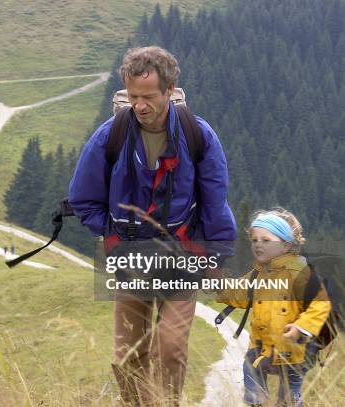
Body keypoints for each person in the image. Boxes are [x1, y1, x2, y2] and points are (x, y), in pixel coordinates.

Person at [68, 46, 236, 405]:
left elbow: (214, 202)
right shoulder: (109, 137)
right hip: (132, 261)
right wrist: (114, 234)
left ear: (170, 90)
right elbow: (83, 198)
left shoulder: (198, 137)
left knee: (171, 346)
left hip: (182, 256)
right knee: (127, 354)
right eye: (132, 96)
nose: (139, 105)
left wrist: (217, 256)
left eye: (148, 97)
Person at [216, 209, 331, 407]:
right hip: (261, 347)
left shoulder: (299, 272)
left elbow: (321, 303)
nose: (258, 244)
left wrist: (301, 327)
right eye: (254, 240)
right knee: (251, 371)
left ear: (285, 245)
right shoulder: (256, 275)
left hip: (293, 349)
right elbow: (238, 294)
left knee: (289, 397)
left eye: (266, 240)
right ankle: (256, 403)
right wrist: (217, 284)